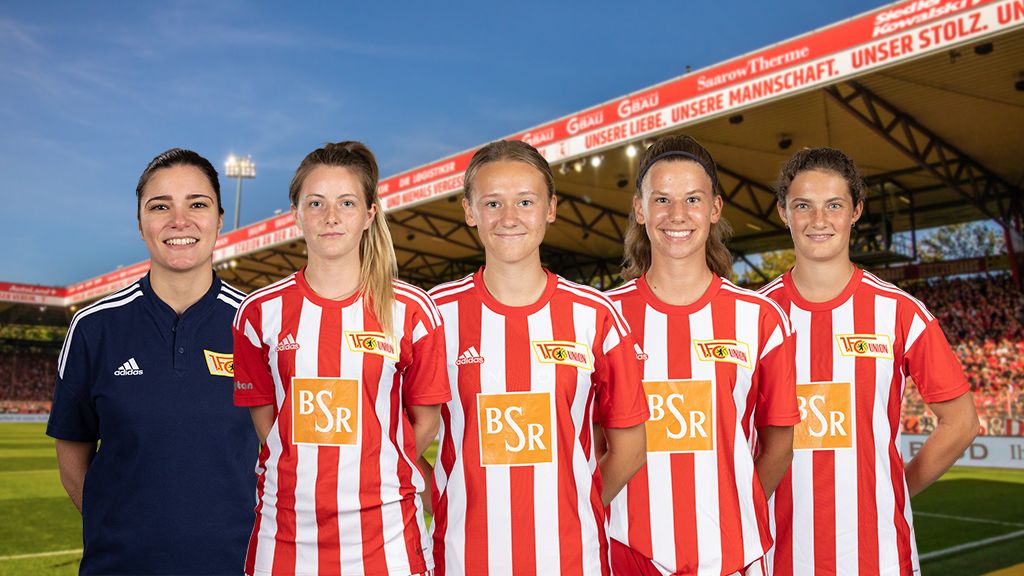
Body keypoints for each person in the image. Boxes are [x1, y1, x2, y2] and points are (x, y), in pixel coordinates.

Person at [425, 140, 649, 575]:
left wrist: (574, 501)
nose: (509, 218)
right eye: (493, 203)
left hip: (572, 559)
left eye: (525, 201)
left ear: (550, 208)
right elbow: (394, 438)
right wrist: (444, 497)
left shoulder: (595, 316)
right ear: (469, 211)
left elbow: (631, 449)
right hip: (462, 559)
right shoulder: (433, 316)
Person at [232, 141, 450, 576]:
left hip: (387, 535)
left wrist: (375, 463)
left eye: (346, 202)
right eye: (316, 203)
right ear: (296, 212)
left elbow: (423, 423)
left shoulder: (411, 310)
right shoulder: (259, 313)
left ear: (369, 214)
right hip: (285, 535)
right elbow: (269, 425)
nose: (331, 216)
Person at [760, 147, 979, 574]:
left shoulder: (900, 311)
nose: (819, 220)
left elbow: (962, 422)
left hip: (877, 557)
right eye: (803, 205)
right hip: (772, 557)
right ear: (784, 213)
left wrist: (896, 488)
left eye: (834, 205)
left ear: (856, 211)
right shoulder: (752, 316)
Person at [47, 148, 259, 574]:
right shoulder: (94, 327)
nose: (179, 221)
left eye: (197, 204)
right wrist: (117, 530)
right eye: (160, 206)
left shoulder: (260, 326)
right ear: (140, 223)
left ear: (220, 218)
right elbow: (72, 454)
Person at [604, 135, 799, 575]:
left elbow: (780, 447)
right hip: (627, 550)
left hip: (735, 555)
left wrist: (735, 510)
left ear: (714, 208)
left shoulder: (761, 318)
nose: (677, 215)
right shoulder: (602, 318)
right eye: (662, 199)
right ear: (640, 209)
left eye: (692, 198)